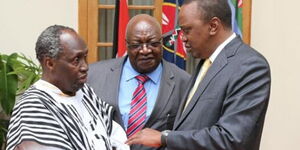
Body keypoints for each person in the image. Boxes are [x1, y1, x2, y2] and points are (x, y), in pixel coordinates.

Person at [125, 0, 271, 150]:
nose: (182, 38)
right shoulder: (206, 62)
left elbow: (231, 139)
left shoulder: (249, 65)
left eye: (187, 30)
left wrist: (165, 137)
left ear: (213, 26)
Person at [6, 25, 129, 150]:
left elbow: (114, 134)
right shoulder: (33, 107)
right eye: (76, 60)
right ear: (50, 63)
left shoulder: (84, 92)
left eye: (85, 57)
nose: (85, 67)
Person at [87, 14, 190, 150]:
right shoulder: (94, 75)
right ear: (127, 45)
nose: (145, 50)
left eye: (153, 43)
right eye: (137, 45)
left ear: (161, 43)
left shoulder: (184, 82)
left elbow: (187, 134)